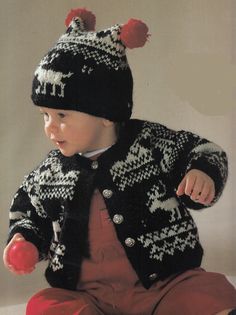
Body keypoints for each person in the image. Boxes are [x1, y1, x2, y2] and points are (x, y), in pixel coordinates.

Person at [3, 7, 236, 315]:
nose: (49, 126)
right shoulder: (50, 173)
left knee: (211, 291)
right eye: (45, 115)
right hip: (90, 296)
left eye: (61, 115)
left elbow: (205, 152)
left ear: (105, 113)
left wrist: (201, 173)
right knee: (46, 305)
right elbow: (28, 212)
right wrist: (24, 241)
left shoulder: (150, 143)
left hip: (164, 285)